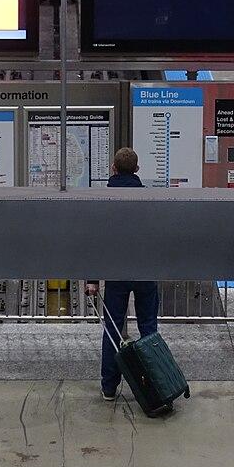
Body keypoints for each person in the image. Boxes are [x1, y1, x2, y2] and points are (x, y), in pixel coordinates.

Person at [87, 147, 159, 401]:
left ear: (113, 169)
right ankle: (155, 385)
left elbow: (97, 242)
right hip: (146, 272)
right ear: (137, 170)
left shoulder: (104, 201)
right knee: (149, 329)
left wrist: (93, 279)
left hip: (116, 274)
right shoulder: (150, 200)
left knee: (113, 329)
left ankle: (109, 387)